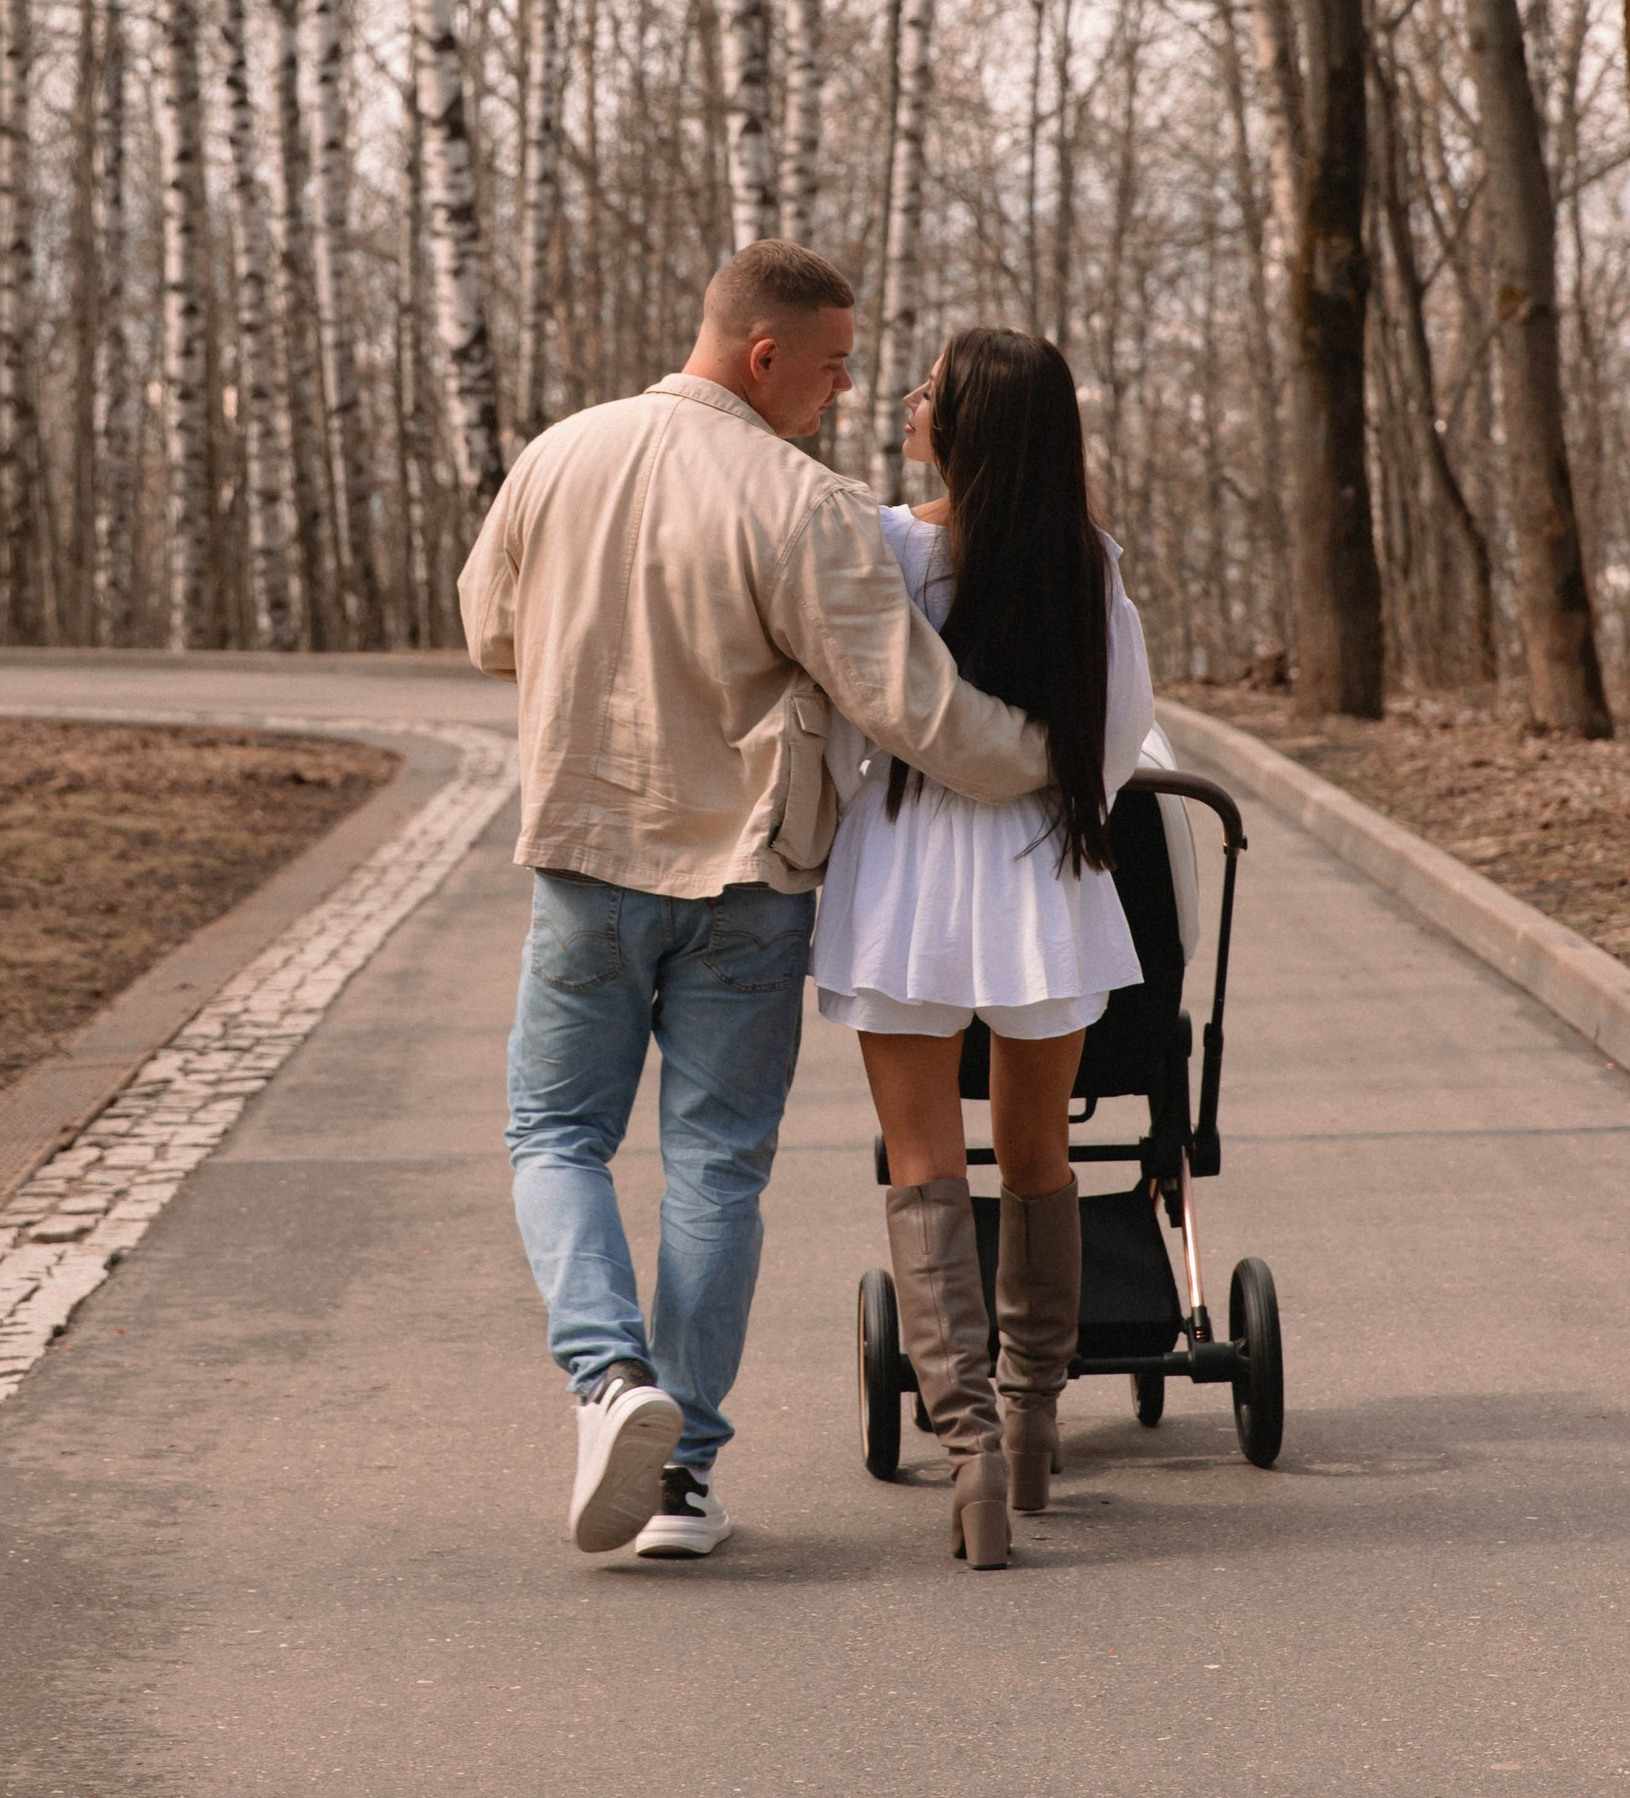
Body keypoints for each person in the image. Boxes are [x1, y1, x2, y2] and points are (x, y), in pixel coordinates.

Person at [458, 244, 1054, 1564]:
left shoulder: (559, 454)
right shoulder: (803, 502)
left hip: (582, 854)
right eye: (835, 366)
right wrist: (1059, 757)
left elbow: (488, 630)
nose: (847, 394)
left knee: (556, 1137)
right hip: (744, 877)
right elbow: (916, 709)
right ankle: (682, 1485)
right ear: (764, 354)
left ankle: (610, 1380)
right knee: (718, 1167)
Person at [811, 327, 1156, 1573]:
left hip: (903, 875)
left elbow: (858, 707)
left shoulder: (889, 549)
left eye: (929, 389)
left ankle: (965, 1455)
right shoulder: (1087, 565)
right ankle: (1031, 1413)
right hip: (1038, 884)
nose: (907, 400)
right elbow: (1116, 743)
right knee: (1035, 1154)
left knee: (921, 1160)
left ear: (965, 426)